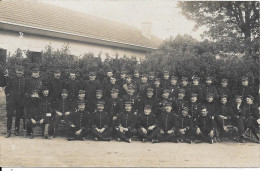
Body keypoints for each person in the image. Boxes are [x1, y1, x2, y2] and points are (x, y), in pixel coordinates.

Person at [5, 65, 26, 137]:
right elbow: (7, 89)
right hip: (12, 100)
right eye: (18, 72)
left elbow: (25, 91)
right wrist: (8, 97)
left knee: (18, 115)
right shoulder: (11, 79)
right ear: (16, 72)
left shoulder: (24, 80)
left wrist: (23, 99)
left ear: (23, 73)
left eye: (21, 72)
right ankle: (8, 131)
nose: (19, 74)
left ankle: (16, 130)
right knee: (10, 115)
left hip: (20, 101)